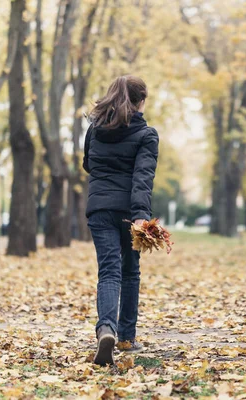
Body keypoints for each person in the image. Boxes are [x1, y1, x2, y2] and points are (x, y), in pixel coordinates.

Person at [82, 75, 159, 366]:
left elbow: (88, 164)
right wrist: (140, 217)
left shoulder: (94, 129)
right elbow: (143, 178)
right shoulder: (147, 135)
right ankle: (126, 338)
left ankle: (106, 329)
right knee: (130, 272)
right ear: (139, 102)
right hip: (129, 210)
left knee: (109, 271)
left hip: (99, 208)